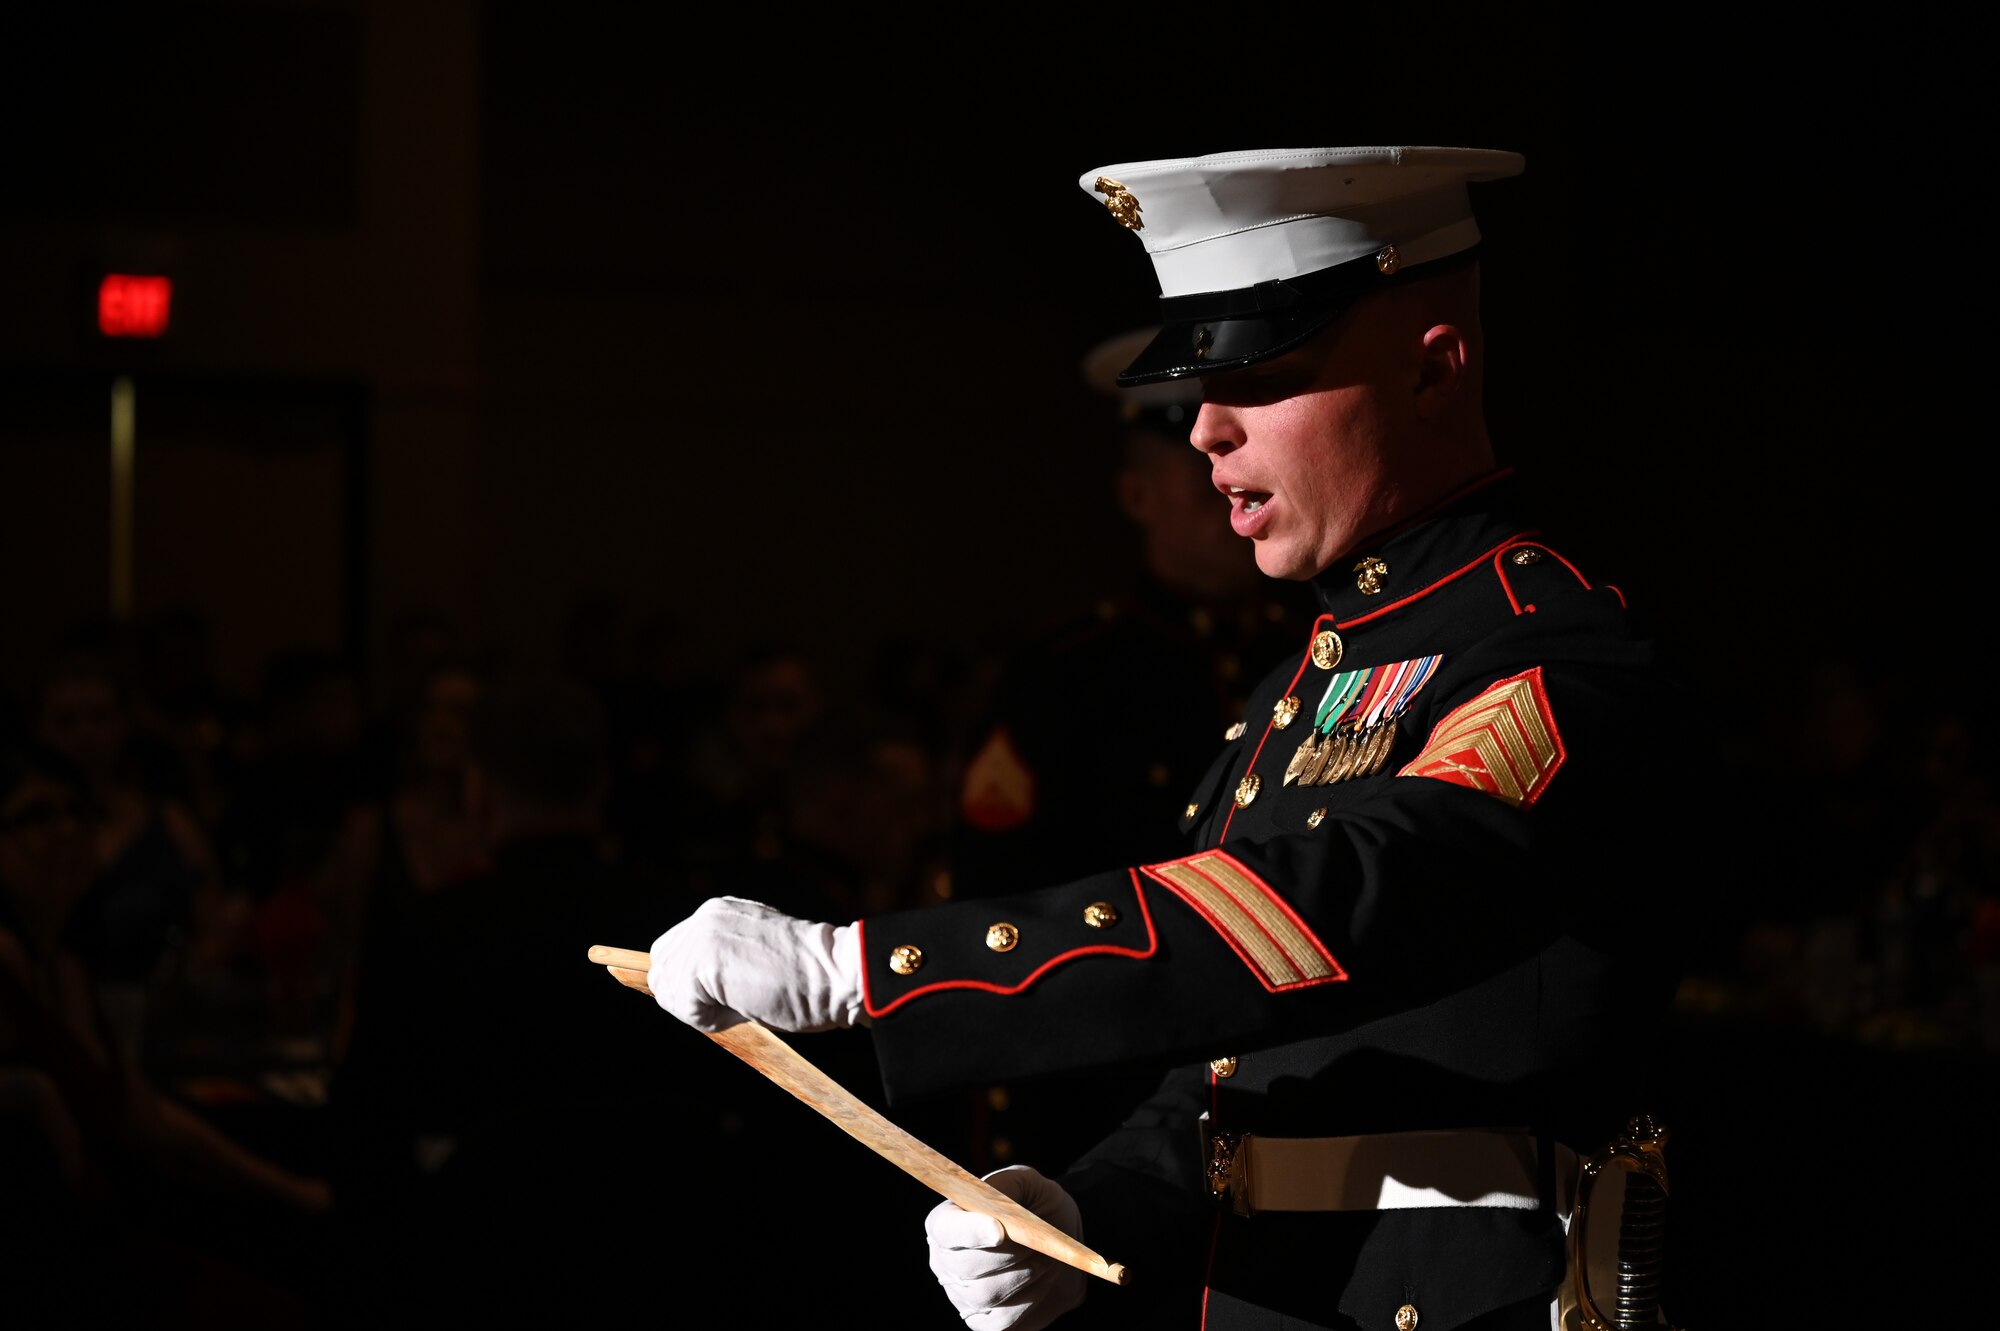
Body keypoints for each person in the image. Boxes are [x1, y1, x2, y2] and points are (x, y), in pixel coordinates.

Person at [638, 145, 1699, 1331]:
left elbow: (1349, 900)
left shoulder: (1547, 651)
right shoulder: (1292, 689)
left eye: (1262, 377)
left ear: (1432, 370)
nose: (1203, 432)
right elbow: (1227, 1087)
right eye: (1200, 390)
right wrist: (1083, 1208)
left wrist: (873, 967)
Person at [948, 329, 1316, 1175]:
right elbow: (1001, 913)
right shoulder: (1067, 677)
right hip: (1114, 1100)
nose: (1226, 480)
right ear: (1137, 493)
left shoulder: (1308, 651)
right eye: (1196, 466)